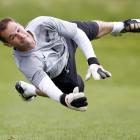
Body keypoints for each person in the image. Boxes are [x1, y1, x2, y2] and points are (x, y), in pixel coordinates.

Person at [0, 17, 140, 112]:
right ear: (8, 44)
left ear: (20, 24)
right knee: (76, 91)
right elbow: (46, 84)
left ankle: (121, 26)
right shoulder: (25, 62)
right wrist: (64, 100)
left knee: (89, 28)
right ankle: (30, 90)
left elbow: (77, 33)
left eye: (18, 29)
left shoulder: (41, 23)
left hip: (64, 40)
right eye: (13, 37)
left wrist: (93, 62)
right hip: (62, 72)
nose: (21, 35)